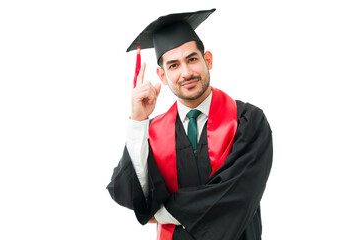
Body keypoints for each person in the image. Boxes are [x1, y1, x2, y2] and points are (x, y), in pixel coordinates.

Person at [107, 9, 273, 240]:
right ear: (163, 76)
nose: (186, 73)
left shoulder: (248, 120)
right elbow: (133, 194)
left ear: (208, 60)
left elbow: (238, 196)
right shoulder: (152, 133)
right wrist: (138, 121)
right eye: (173, 65)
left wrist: (162, 213)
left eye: (192, 59)